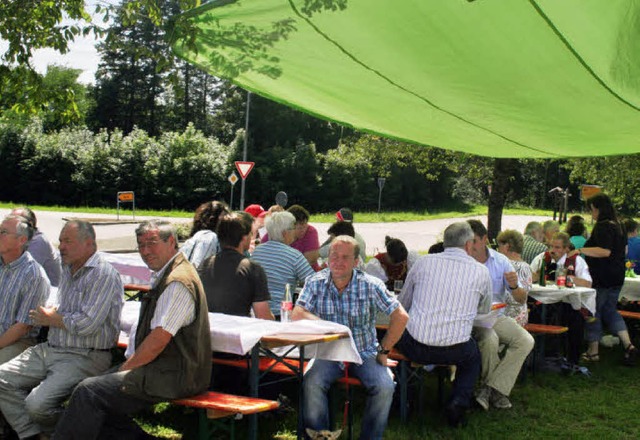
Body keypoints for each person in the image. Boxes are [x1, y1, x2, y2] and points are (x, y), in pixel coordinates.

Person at [53, 220, 212, 439]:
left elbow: (158, 340)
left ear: (172, 242)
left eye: (152, 243)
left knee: (89, 393)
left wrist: (125, 369)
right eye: (141, 245)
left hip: (177, 376)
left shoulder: (178, 281)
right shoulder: (171, 272)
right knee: (89, 395)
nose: (145, 251)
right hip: (166, 369)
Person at [0, 220, 123, 439]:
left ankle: (91, 430)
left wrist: (54, 318)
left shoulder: (103, 273)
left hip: (85, 355)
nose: (61, 247)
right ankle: (34, 434)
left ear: (89, 244)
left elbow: (88, 324)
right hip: (52, 349)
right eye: (60, 241)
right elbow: (67, 310)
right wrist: (54, 313)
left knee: (37, 405)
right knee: (1, 380)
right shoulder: (68, 268)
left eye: (68, 241)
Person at [292, 235, 409, 440]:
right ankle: (319, 435)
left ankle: (371, 437)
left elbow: (400, 316)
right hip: (328, 353)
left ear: (356, 262)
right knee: (311, 381)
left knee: (385, 386)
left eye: (345, 257)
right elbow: (297, 314)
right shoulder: (315, 281)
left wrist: (384, 350)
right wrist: (327, 326)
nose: (338, 261)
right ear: (327, 258)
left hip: (364, 352)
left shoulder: (370, 285)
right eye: (334, 256)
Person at [396, 222, 492, 427]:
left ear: (445, 242)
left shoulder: (422, 263)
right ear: (468, 244)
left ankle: (405, 396)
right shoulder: (481, 271)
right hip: (456, 349)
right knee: (473, 356)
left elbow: (403, 304)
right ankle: (459, 400)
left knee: (396, 338)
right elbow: (484, 310)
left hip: (416, 346)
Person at [466, 219, 534, 411]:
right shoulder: (464, 261)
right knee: (490, 340)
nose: (469, 246)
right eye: (466, 241)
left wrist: (514, 286)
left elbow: (521, 299)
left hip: (495, 315)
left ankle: (489, 389)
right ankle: (496, 391)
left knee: (525, 341)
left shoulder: (501, 261)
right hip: (470, 318)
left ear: (485, 239)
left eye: (474, 241)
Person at [576, 193, 637, 365]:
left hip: (602, 276)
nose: (591, 214)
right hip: (617, 275)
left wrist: (581, 251)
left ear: (597, 208)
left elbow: (604, 251)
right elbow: (623, 251)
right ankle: (629, 345)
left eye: (592, 209)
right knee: (611, 311)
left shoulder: (603, 226)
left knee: (593, 311)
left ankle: (593, 351)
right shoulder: (620, 225)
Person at [530, 232, 592, 365]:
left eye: (557, 247)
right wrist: (537, 275)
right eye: (551, 246)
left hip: (568, 302)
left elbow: (588, 283)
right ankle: (539, 355)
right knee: (534, 313)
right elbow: (529, 277)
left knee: (575, 318)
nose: (553, 250)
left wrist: (568, 278)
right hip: (544, 300)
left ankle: (571, 360)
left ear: (566, 249)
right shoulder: (542, 258)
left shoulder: (576, 261)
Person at [199, 213, 274, 320]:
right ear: (244, 238)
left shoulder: (205, 264)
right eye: (250, 234)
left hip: (208, 332)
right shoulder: (253, 269)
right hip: (237, 333)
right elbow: (263, 316)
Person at [0, 215, 49, 364]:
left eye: (3, 232)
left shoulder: (34, 275)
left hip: (16, 341)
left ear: (21, 240)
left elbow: (23, 327)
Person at [251, 211, 315, 318]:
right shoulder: (294, 256)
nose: (295, 231)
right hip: (281, 313)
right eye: (293, 228)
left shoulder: (257, 251)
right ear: (285, 233)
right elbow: (313, 282)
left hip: (256, 312)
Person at [11, 207, 61, 287]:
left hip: (48, 294)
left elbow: (23, 274)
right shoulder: (18, 240)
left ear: (29, 224)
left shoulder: (38, 241)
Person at [495, 229, 532, 327]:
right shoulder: (526, 267)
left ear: (506, 247)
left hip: (509, 316)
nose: (498, 250)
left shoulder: (504, 265)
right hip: (521, 313)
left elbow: (510, 298)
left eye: (499, 246)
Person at [180, 200, 229, 269]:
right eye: (224, 217)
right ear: (213, 219)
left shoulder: (199, 236)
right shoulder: (208, 237)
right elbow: (197, 267)